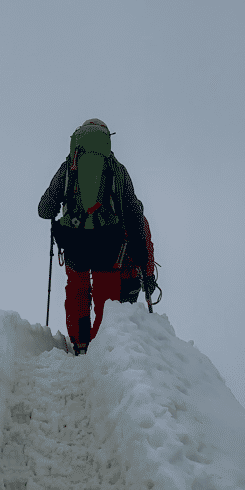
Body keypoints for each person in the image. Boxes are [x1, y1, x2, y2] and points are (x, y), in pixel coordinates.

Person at [39, 118, 156, 354]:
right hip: (109, 242)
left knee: (76, 290)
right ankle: (102, 347)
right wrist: (142, 259)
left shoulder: (68, 166)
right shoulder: (117, 168)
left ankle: (79, 344)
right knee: (107, 295)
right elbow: (134, 216)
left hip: (74, 241)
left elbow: (44, 209)